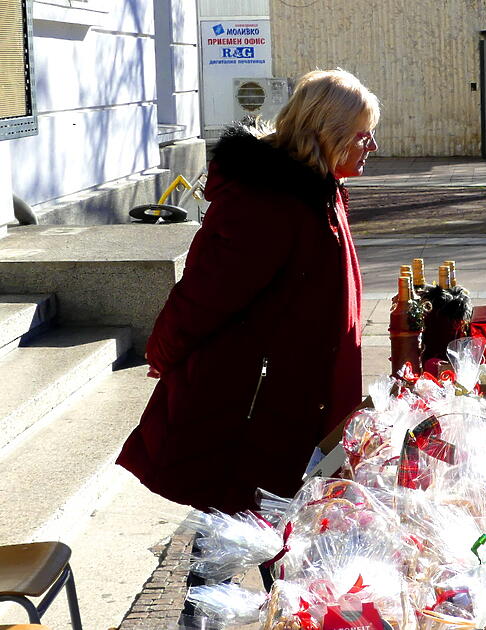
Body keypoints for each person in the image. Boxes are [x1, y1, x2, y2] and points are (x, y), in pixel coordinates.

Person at [116, 69, 380, 514]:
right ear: (328, 135)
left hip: (290, 397)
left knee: (269, 527)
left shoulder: (320, 190)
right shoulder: (268, 201)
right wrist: (163, 355)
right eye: (362, 136)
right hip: (253, 406)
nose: (371, 147)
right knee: (239, 529)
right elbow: (204, 295)